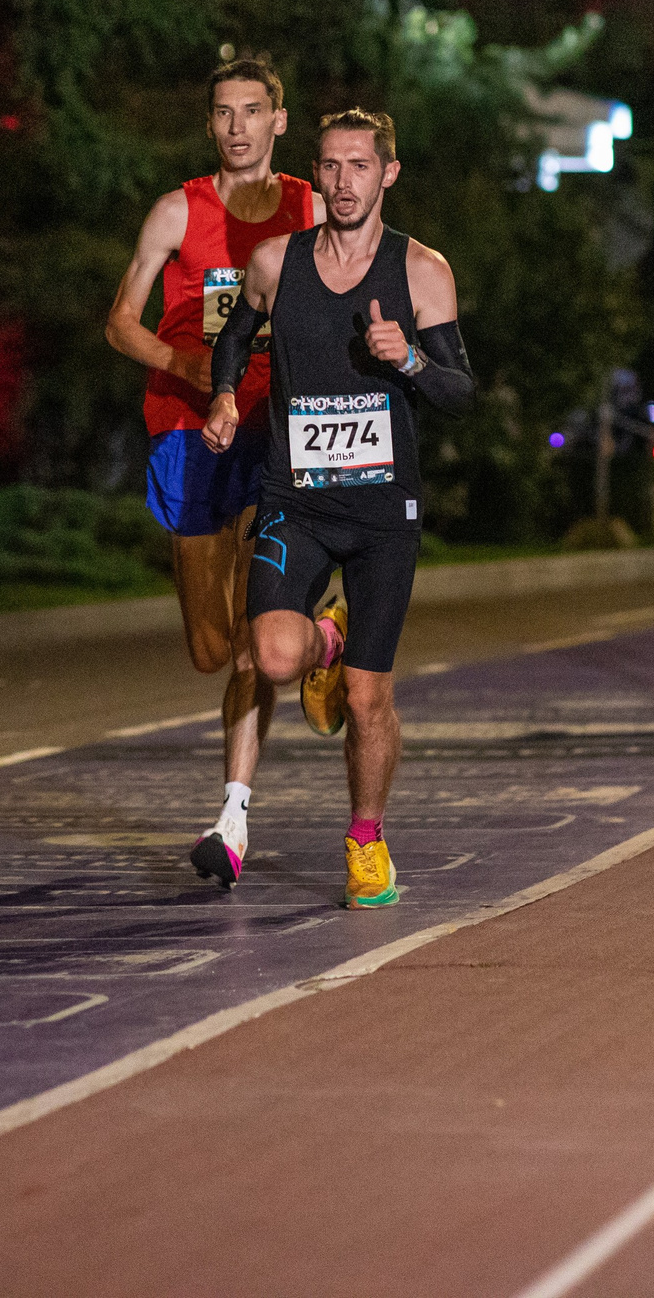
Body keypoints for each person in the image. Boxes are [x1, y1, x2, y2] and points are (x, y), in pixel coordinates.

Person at [202, 108, 473, 907]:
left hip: (385, 512)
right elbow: (234, 334)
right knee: (276, 657)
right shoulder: (274, 261)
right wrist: (223, 395)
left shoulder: (422, 270)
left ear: (389, 172)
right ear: (314, 173)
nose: (343, 181)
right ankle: (327, 635)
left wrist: (412, 357)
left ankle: (365, 841)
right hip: (296, 500)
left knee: (366, 696)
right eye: (330, 165)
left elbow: (460, 391)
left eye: (360, 165)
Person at [105, 57, 320, 893]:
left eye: (252, 110)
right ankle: (316, 631)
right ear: (211, 126)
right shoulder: (177, 210)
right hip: (188, 431)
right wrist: (186, 363)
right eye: (223, 113)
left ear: (279, 120)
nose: (237, 126)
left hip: (276, 426)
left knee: (252, 643)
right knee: (210, 647)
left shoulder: (308, 207)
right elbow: (119, 320)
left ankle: (232, 812)